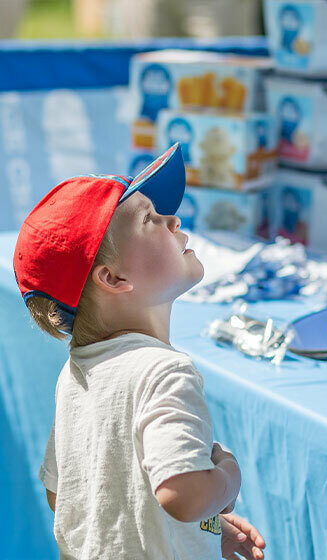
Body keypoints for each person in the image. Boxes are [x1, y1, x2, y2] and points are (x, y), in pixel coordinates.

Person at [13, 143, 266, 560]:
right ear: (113, 278)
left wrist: (204, 528)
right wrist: (227, 478)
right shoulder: (165, 372)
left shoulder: (76, 373)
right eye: (151, 218)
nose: (174, 219)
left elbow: (67, 497)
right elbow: (181, 491)